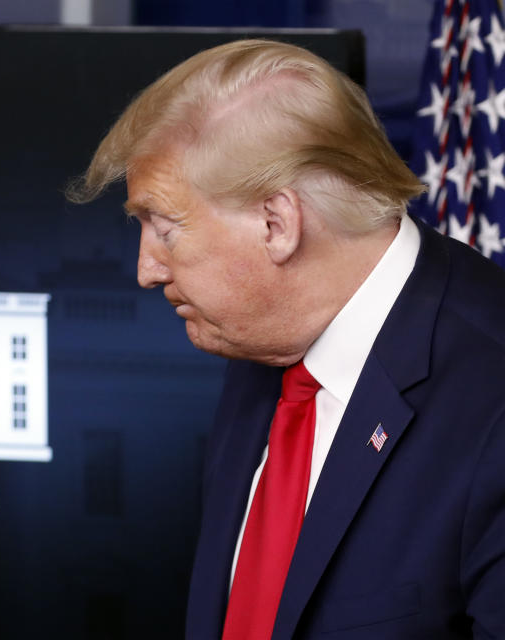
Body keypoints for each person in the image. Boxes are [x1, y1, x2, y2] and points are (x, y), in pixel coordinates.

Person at [68, 39, 505, 639]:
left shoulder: (493, 401)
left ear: (276, 224)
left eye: (164, 229)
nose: (146, 269)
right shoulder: (261, 335)